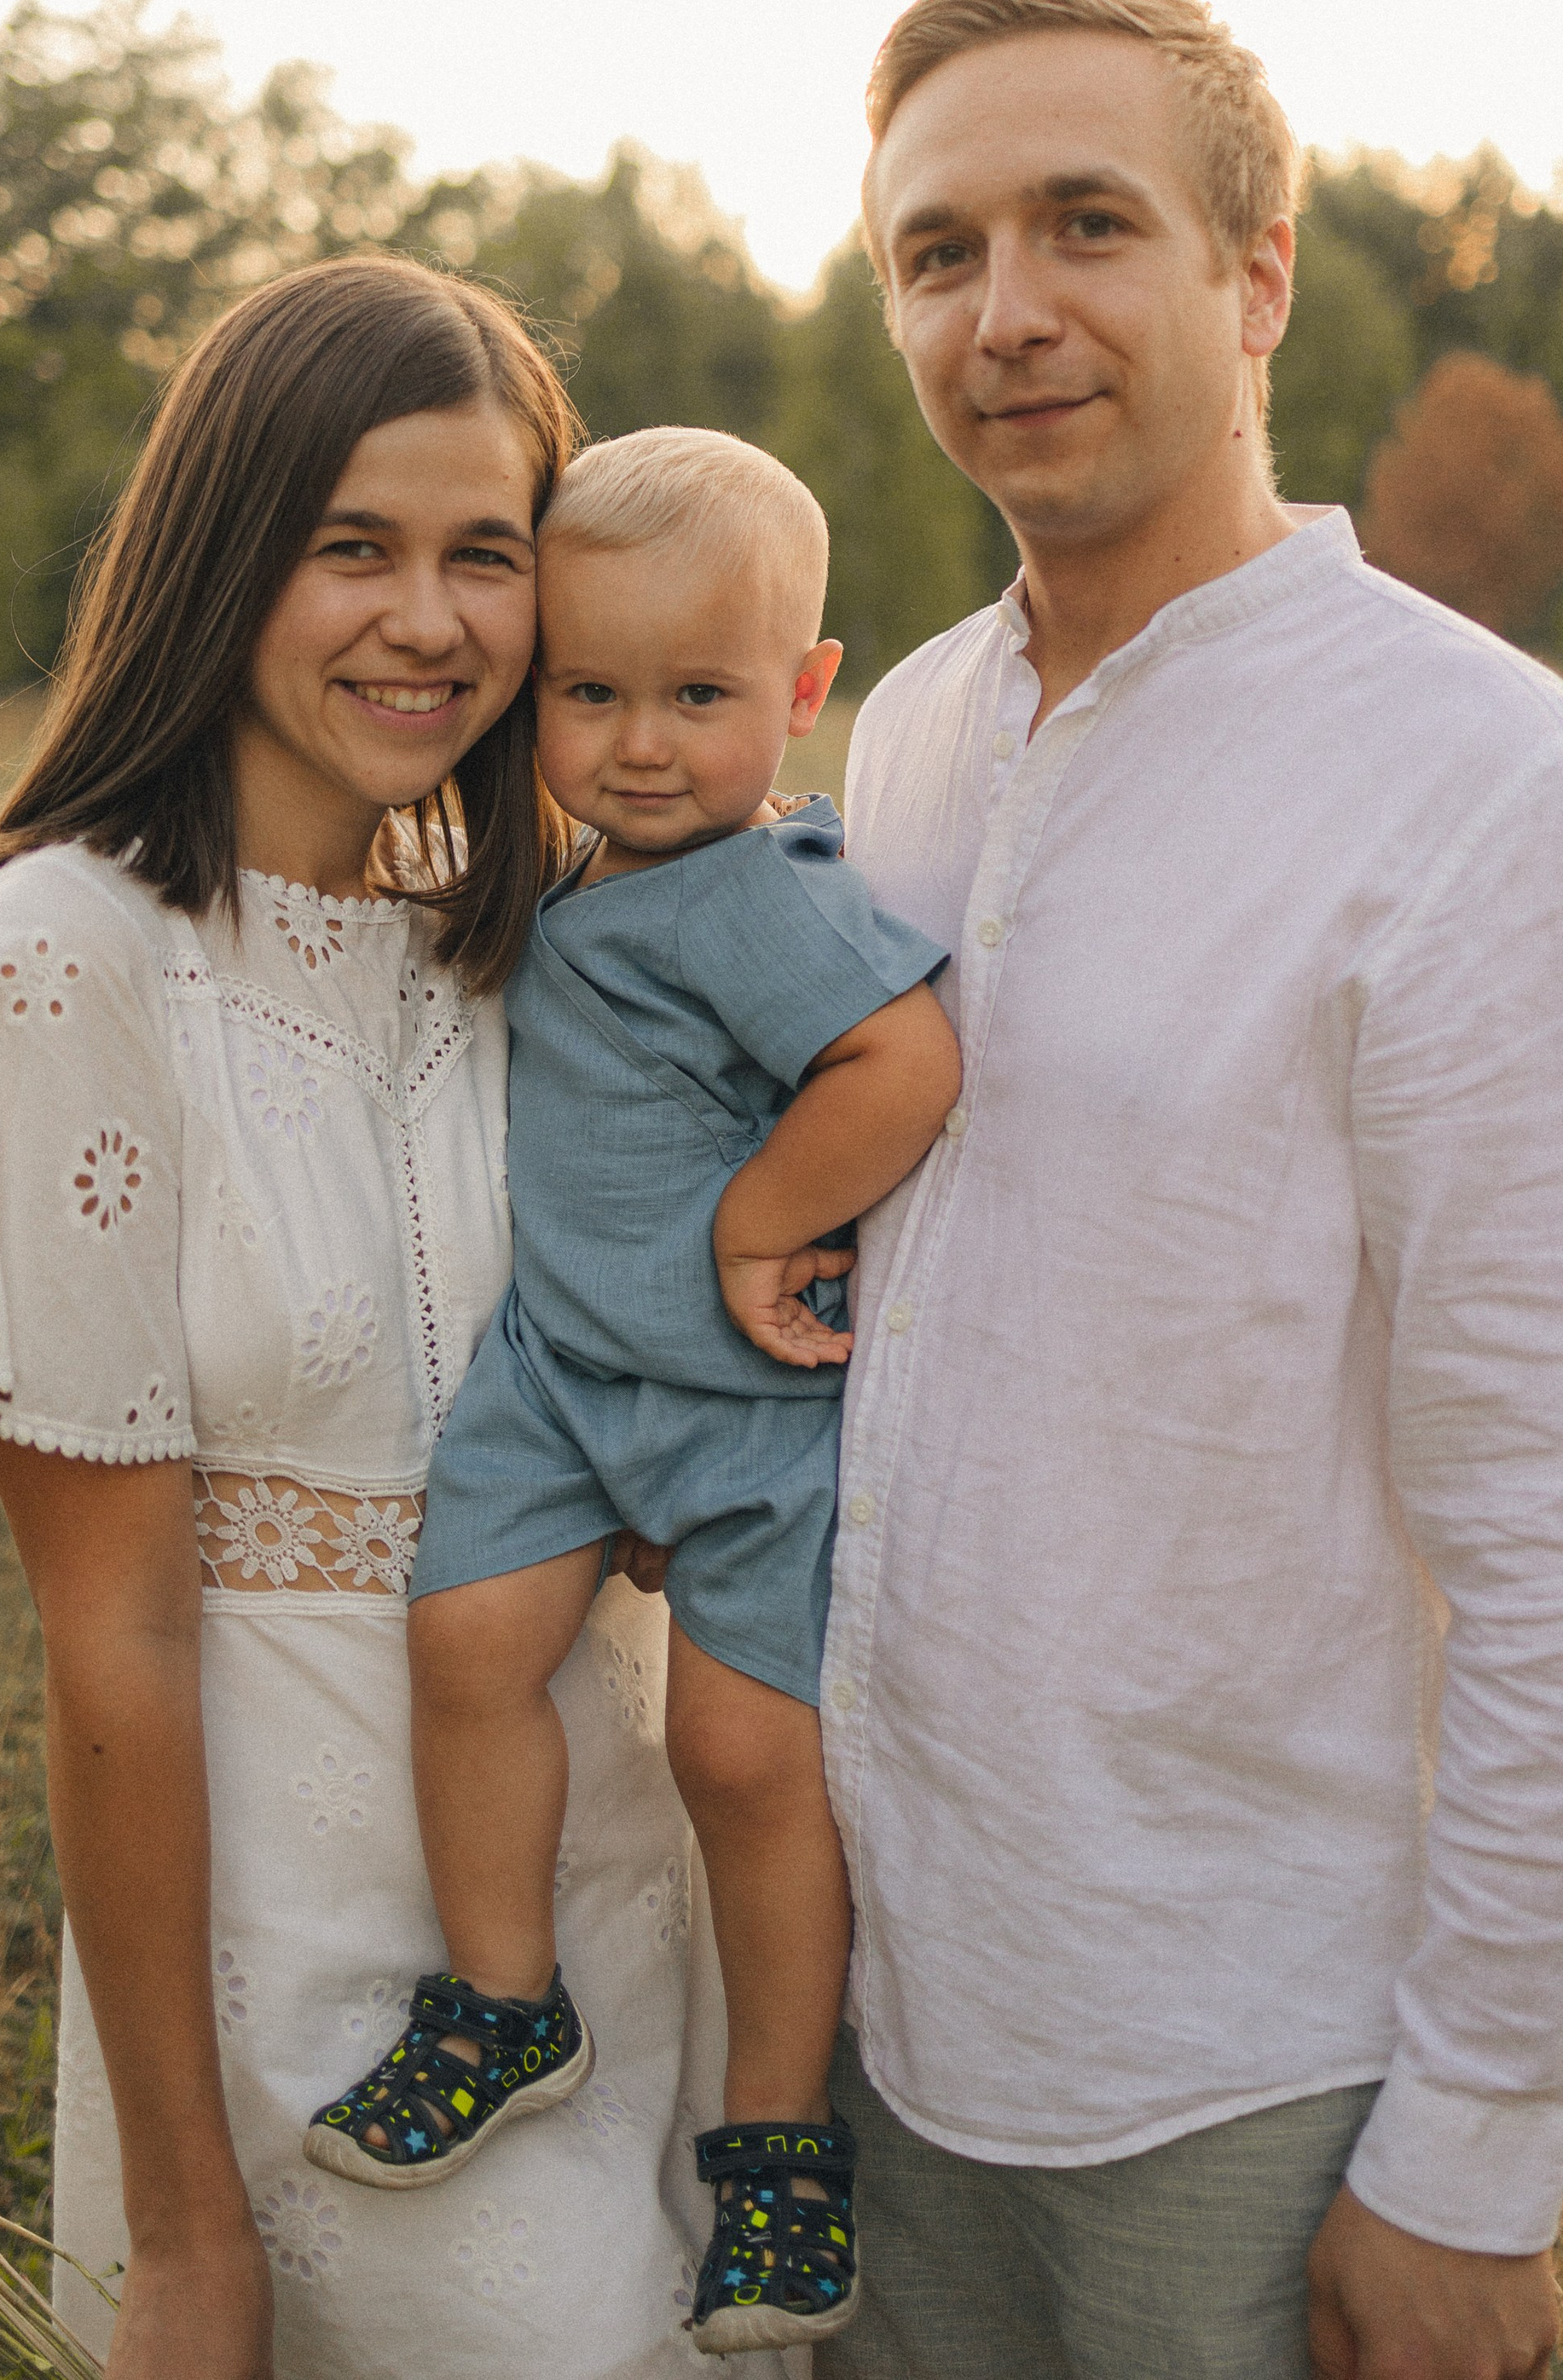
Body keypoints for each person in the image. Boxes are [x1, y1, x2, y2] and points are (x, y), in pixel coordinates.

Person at [813, 0, 1563, 2380]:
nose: (1007, 312)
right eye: (938, 251)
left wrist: (1480, 2151)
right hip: (867, 2009)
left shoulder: (1492, 798)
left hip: (1243, 2063)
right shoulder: (905, 736)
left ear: (1259, 275)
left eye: (1087, 224)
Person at [0, 263, 750, 2380]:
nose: (425, 620)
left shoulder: (536, 945)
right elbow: (116, 1632)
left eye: (485, 555)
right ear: (221, 552)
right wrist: (183, 2230)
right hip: (286, 1957)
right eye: (350, 545)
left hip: (614, 1893)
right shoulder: (66, 958)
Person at [304, 429, 959, 2357]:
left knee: (742, 1766)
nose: (642, 742)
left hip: (740, 1415)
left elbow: (901, 1068)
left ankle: (774, 2147)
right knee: (464, 1643)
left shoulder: (761, 891)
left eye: (699, 695)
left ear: (801, 689)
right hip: (560, 1378)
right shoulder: (589, 869)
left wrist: (759, 1224)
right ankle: (502, 2000)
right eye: (587, 692)